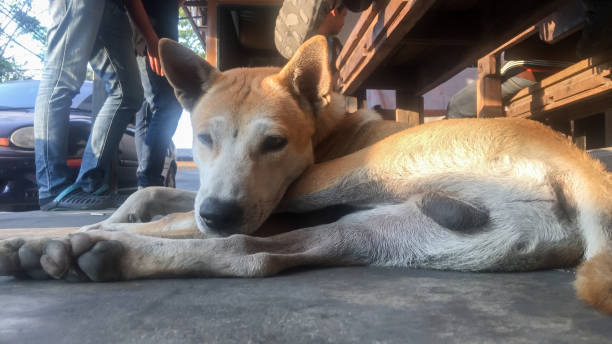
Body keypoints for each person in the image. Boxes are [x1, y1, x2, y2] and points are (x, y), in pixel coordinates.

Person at [35, 0, 162, 210]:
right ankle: (52, 187)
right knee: (61, 78)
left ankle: (90, 181)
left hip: (115, 6)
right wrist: (149, 34)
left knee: (128, 94)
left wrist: (149, 35)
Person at [132, 0, 184, 189]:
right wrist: (151, 39)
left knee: (149, 111)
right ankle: (148, 180)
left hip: (159, 40)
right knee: (168, 106)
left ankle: (147, 182)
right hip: (152, 42)